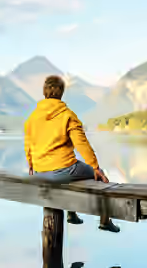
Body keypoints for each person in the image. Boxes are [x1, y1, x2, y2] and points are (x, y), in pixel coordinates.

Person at [24, 75, 119, 233]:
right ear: (61, 92)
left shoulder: (32, 118)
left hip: (40, 171)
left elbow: (28, 145)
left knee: (70, 176)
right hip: (64, 169)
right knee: (99, 176)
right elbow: (81, 144)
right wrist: (95, 167)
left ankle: (72, 214)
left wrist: (32, 165)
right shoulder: (67, 115)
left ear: (44, 92)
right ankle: (105, 220)